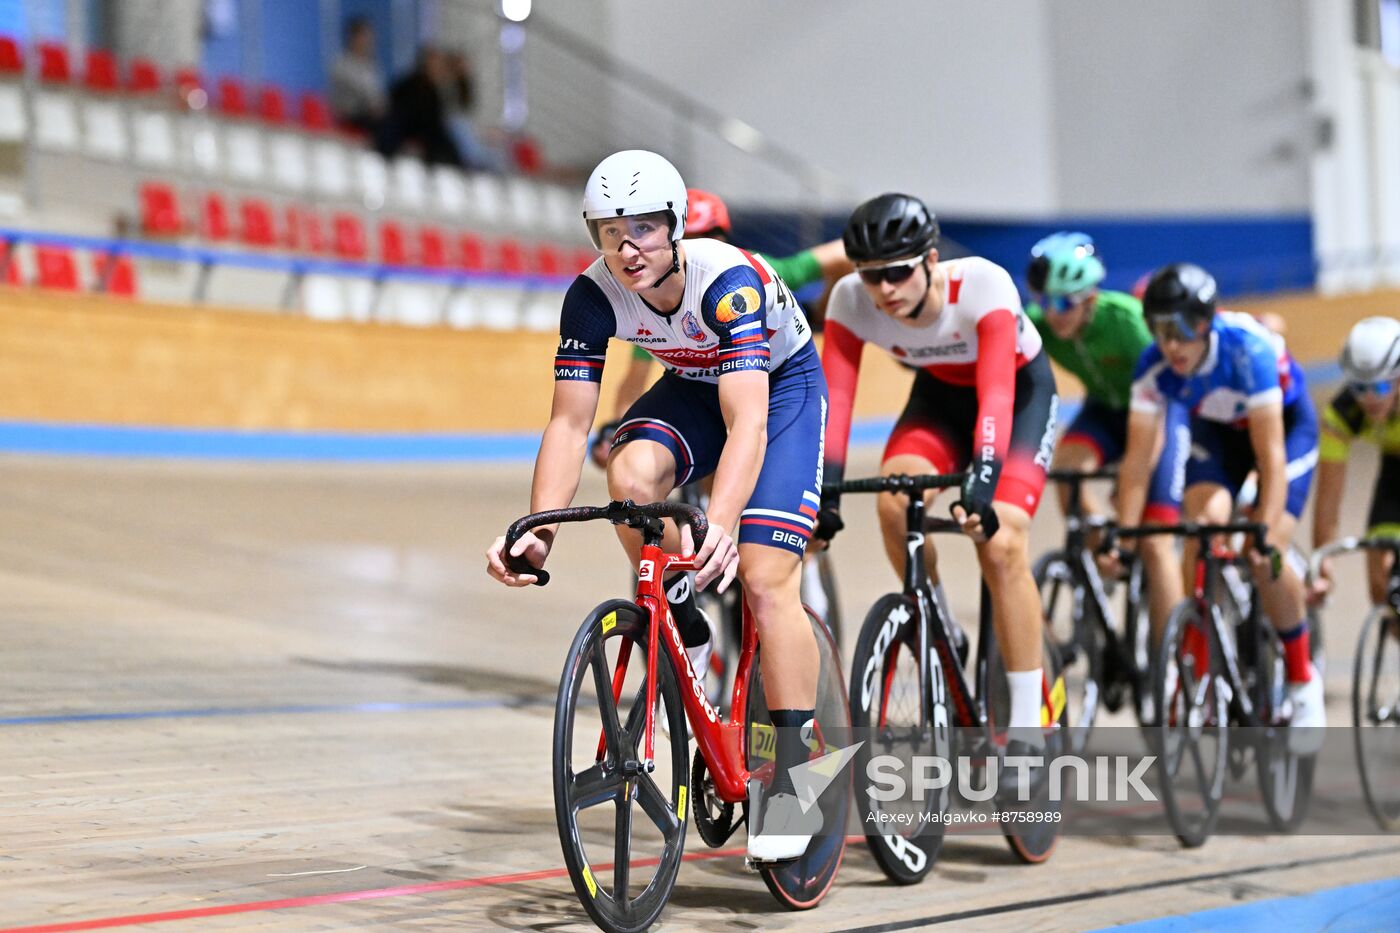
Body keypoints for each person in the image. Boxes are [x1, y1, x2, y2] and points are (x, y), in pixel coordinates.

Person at [485, 150, 827, 862]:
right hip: (694, 387)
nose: (627, 247)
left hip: (779, 389)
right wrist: (538, 529)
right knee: (629, 474)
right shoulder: (590, 293)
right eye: (610, 231)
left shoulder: (726, 282)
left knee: (764, 581)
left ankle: (798, 785)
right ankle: (683, 615)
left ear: (675, 228)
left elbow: (749, 425)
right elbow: (571, 424)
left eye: (643, 228)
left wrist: (725, 525)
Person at [818, 193, 1058, 758]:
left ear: (930, 260)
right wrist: (821, 488)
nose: (885, 290)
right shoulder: (851, 301)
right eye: (871, 276)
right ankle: (940, 625)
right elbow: (836, 403)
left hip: (1016, 397)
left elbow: (997, 392)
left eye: (898, 272)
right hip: (940, 402)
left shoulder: (982, 284)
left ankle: (1029, 722)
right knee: (893, 503)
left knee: (1001, 544)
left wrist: (985, 475)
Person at [1116, 263, 1324, 739]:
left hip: (1285, 432)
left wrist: (1266, 531)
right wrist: (1123, 540)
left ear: (1207, 322)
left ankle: (1299, 677)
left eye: (1183, 329)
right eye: (1160, 330)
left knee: (1262, 552)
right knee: (1203, 528)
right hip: (1221, 436)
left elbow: (1270, 458)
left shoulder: (1247, 351)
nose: (1172, 344)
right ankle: (1200, 663)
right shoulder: (1153, 366)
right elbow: (1136, 459)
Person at [590, 187, 851, 456]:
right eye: (683, 240)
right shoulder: (654, 297)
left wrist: (821, 310)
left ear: (722, 240)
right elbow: (635, 380)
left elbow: (845, 253)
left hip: (772, 388)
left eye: (702, 239)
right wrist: (621, 429)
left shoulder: (750, 267)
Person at [1024, 234, 1188, 641]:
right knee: (1065, 472)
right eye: (1046, 302)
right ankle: (1104, 554)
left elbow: (1158, 412)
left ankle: (1171, 660)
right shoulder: (1038, 324)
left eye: (1064, 303)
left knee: (1154, 541)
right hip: (1104, 410)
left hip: (1158, 410)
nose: (1053, 314)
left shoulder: (1128, 322)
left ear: (1090, 297)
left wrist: (1133, 499)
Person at [1310, 316, 1400, 611]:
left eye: (1381, 388)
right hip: (1394, 469)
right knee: (1381, 588)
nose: (1369, 399)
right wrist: (1322, 562)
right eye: (1359, 388)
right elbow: (1328, 499)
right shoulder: (1341, 416)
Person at [380, 46, 462, 166]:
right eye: (433, 64)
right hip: (404, 129)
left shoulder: (436, 90)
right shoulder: (409, 83)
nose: (436, 68)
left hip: (427, 134)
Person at [329, 17, 386, 135]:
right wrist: (375, 106)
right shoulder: (342, 64)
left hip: (372, 115)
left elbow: (378, 93)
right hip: (351, 116)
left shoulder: (372, 65)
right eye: (365, 37)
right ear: (354, 38)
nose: (369, 42)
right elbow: (360, 92)